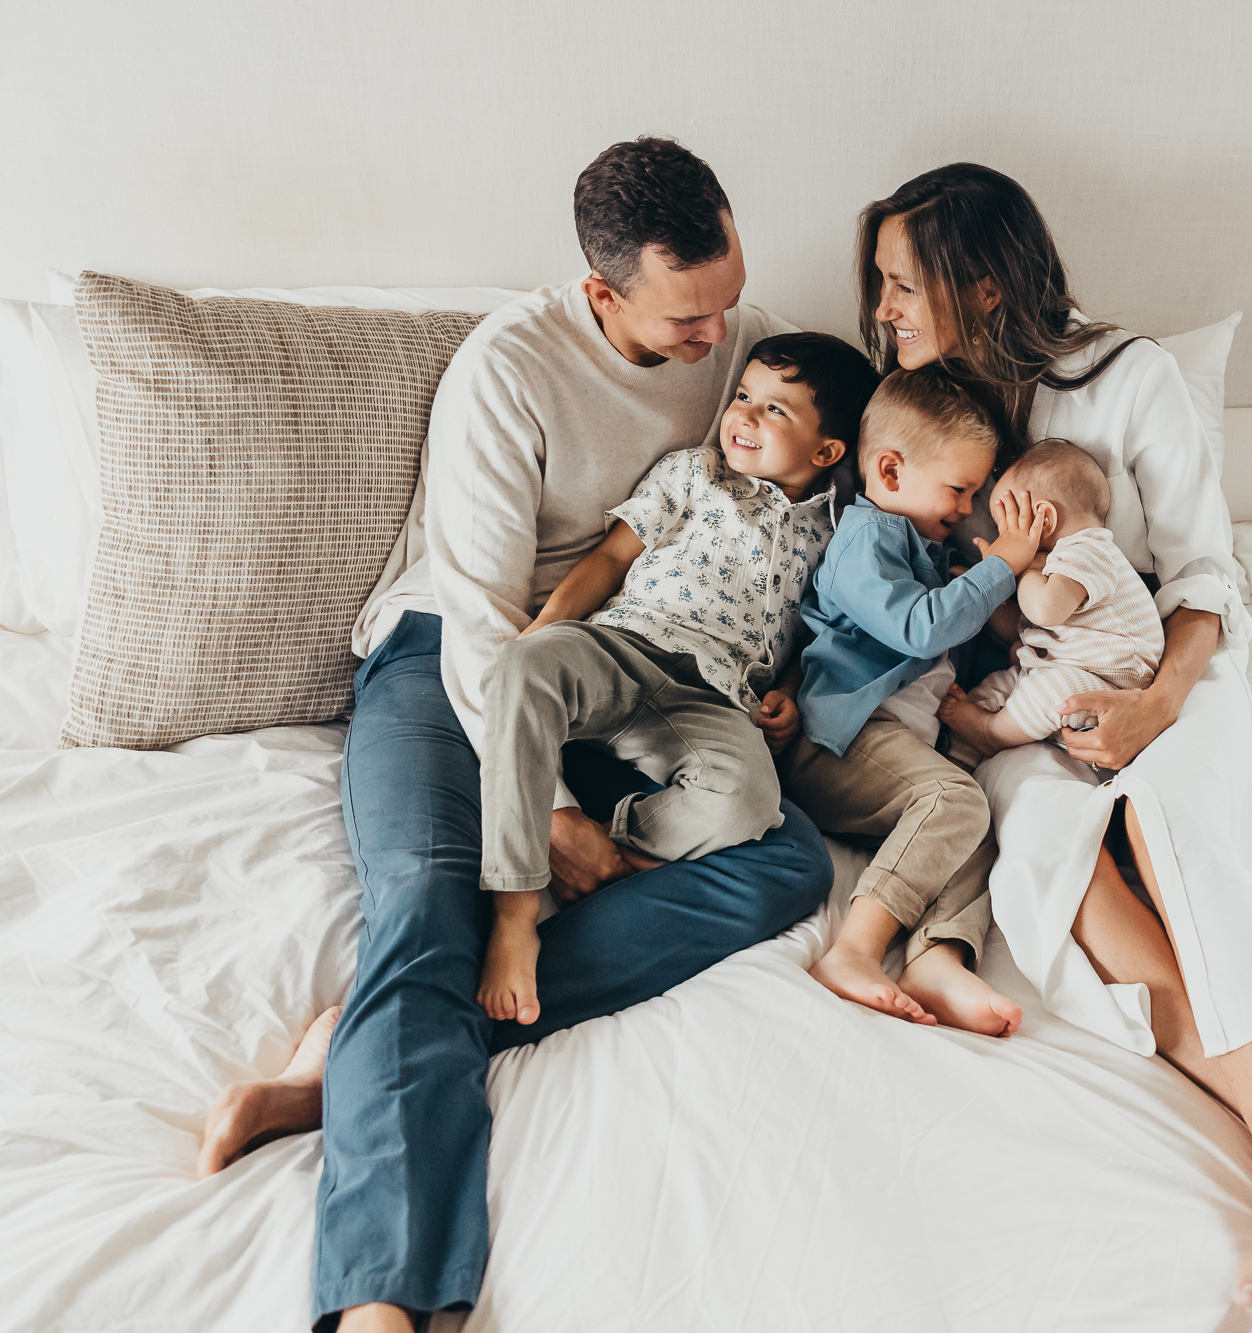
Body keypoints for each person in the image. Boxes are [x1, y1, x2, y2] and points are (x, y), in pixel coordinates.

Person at [195, 137, 835, 1333]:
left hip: (628, 666)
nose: (718, 342)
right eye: (690, 320)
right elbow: (487, 629)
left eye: (727, 301)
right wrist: (547, 817)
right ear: (602, 293)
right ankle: (381, 1302)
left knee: (786, 859)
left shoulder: (751, 352)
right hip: (455, 662)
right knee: (435, 898)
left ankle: (366, 1046)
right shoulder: (507, 371)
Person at [858, 163, 1252, 1307]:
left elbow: (1210, 573)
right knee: (1062, 873)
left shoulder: (1129, 379)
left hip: (1161, 662)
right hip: (1020, 704)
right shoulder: (919, 419)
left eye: (901, 286)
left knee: (1178, 820)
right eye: (880, 288)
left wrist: (1155, 706)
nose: (883, 311)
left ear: (982, 287)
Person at [475, 332, 875, 1026]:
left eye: (776, 410)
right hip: (624, 645)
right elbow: (608, 560)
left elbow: (802, 632)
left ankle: (618, 847)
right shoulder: (695, 473)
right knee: (519, 667)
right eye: (744, 396)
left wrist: (785, 696)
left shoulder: (834, 535)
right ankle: (514, 910)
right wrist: (547, 629)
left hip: (712, 698)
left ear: (827, 452)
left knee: (750, 801)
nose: (744, 416)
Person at [780, 369, 1037, 1036]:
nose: (966, 505)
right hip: (839, 740)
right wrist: (999, 566)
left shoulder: (925, 549)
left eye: (975, 491)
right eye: (960, 488)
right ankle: (855, 950)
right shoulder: (866, 539)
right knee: (955, 802)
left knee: (972, 823)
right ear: (889, 471)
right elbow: (919, 628)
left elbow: (954, 641)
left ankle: (937, 957)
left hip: (894, 751)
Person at [936, 439, 1163, 762]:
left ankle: (992, 734)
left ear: (1044, 519)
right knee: (995, 688)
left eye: (1006, 527)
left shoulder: (1089, 550)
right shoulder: (1054, 568)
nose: (1003, 540)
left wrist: (1022, 565)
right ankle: (958, 760)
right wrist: (985, 591)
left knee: (1055, 691)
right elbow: (1019, 628)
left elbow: (1044, 611)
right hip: (1059, 668)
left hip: (1106, 688)